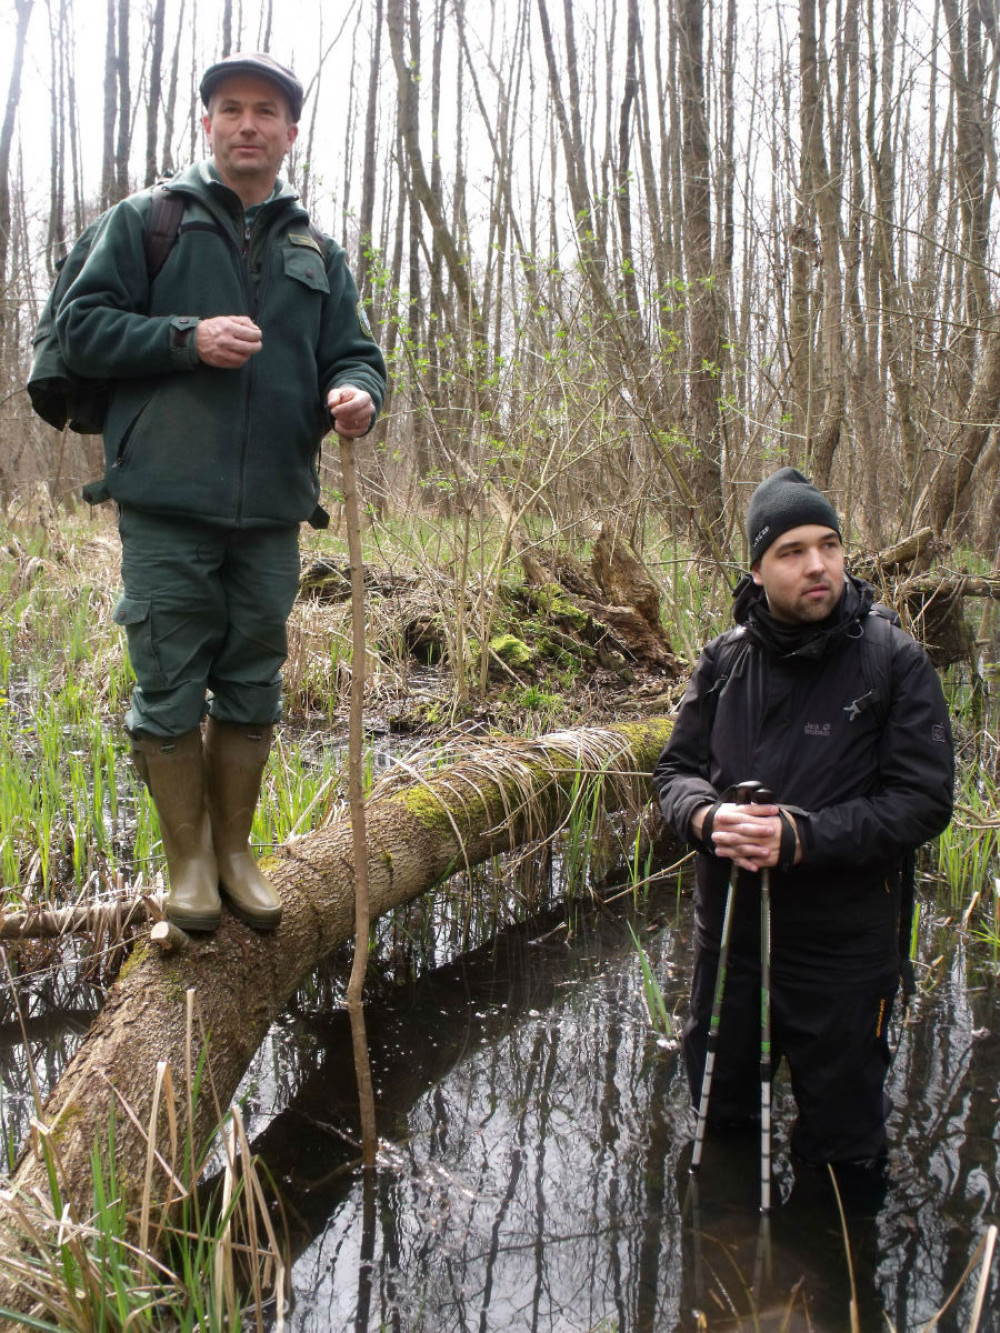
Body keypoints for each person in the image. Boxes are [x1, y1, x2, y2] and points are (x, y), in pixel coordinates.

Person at [55, 52, 388, 934]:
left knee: (253, 683)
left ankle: (235, 854)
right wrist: (185, 336)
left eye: (266, 112)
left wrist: (358, 395)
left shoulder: (316, 251)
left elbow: (355, 353)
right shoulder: (148, 221)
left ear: (289, 132)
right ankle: (187, 865)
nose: (249, 124)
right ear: (207, 124)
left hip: (275, 511)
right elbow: (77, 330)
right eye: (231, 109)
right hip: (166, 503)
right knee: (167, 684)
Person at [654, 467, 954, 1175]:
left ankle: (832, 1274)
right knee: (719, 1130)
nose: (817, 565)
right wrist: (705, 815)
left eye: (829, 544)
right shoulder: (725, 662)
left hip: (844, 955)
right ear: (757, 570)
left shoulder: (895, 662)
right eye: (791, 551)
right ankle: (721, 1267)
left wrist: (801, 837)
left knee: (843, 1156)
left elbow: (923, 800)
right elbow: (674, 774)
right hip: (730, 944)